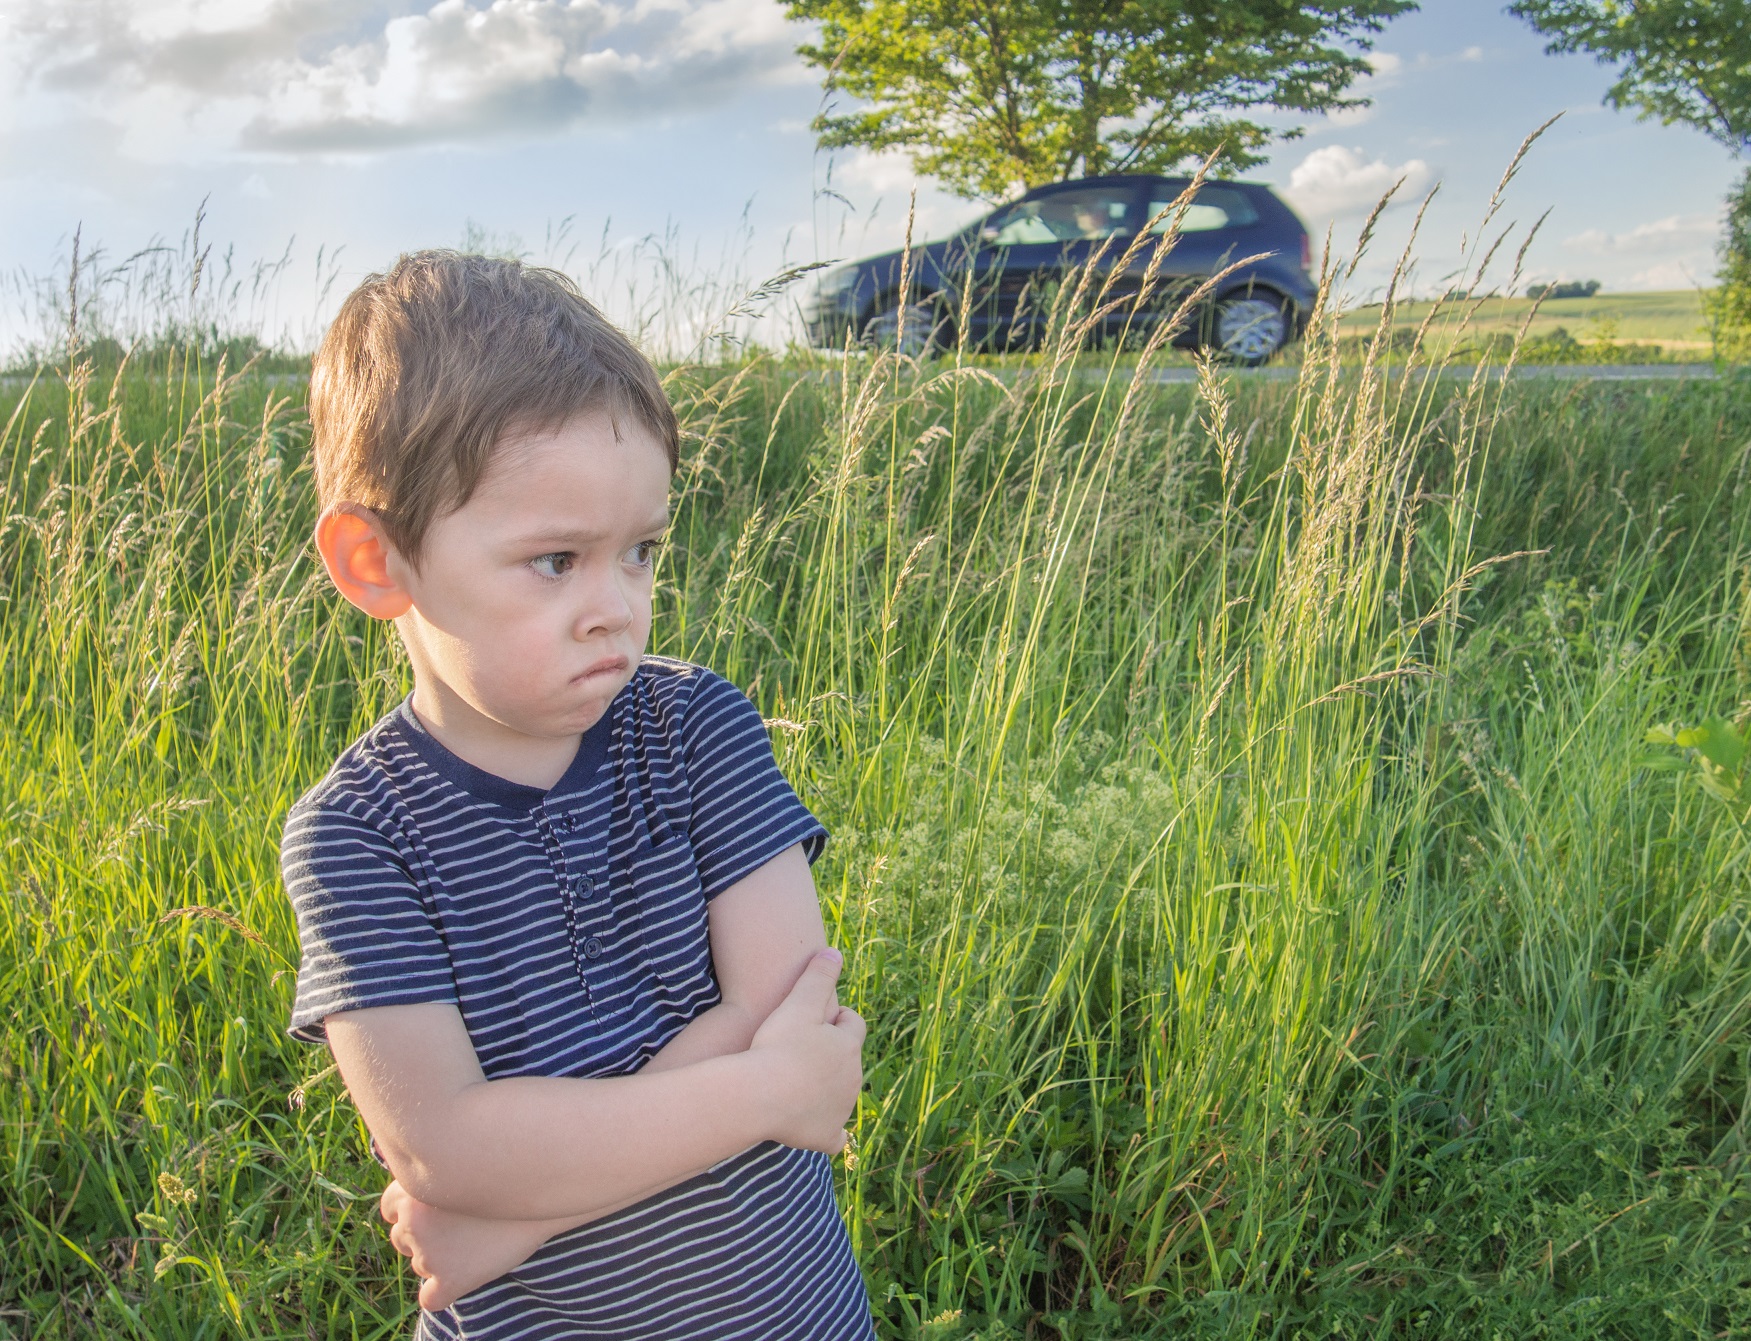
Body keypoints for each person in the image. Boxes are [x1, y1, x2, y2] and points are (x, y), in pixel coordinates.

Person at [280, 250, 874, 1340]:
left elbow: (796, 1017)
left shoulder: (696, 729)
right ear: (378, 562)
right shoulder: (359, 836)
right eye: (556, 560)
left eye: (640, 552)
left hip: (790, 1313)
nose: (616, 609)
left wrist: (504, 1223)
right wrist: (758, 1088)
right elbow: (445, 1146)